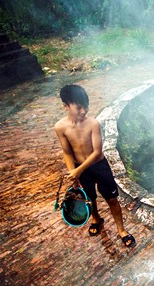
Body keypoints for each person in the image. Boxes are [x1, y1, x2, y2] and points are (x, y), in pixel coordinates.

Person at [54, 84, 135, 247]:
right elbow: (67, 152)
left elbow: (97, 152)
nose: (83, 111)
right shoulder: (60, 127)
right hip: (80, 170)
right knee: (88, 198)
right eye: (79, 107)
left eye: (86, 106)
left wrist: (78, 170)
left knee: (112, 199)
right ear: (65, 106)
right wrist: (72, 173)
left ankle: (121, 229)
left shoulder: (93, 124)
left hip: (99, 167)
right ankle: (96, 218)